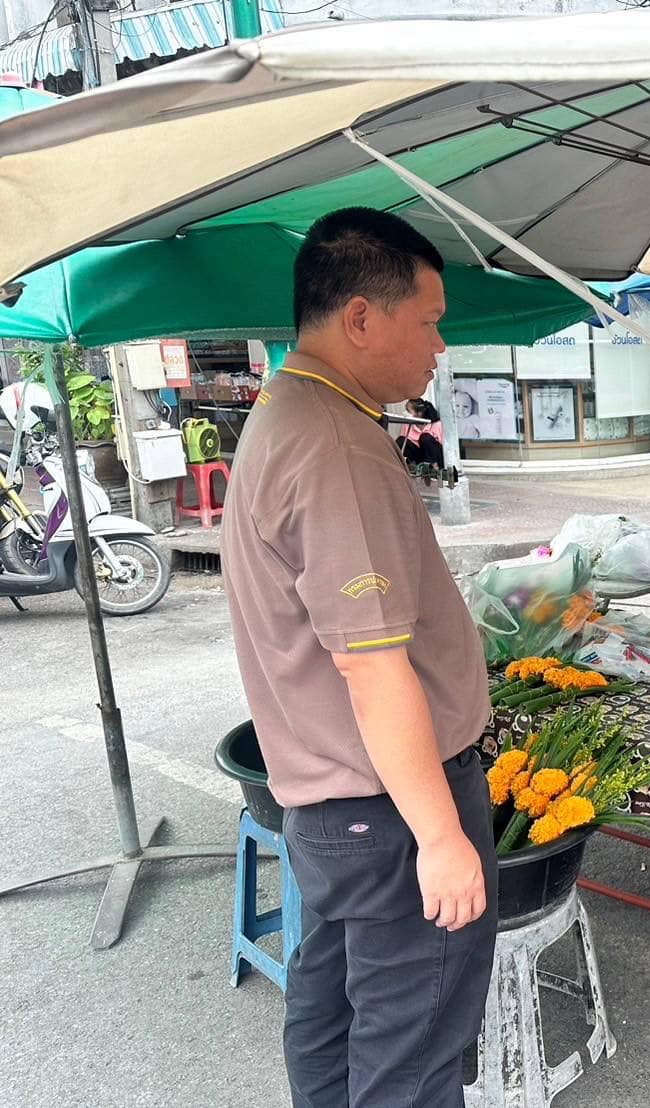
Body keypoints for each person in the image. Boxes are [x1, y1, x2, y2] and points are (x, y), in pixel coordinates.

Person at [221, 207, 495, 1108]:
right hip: (386, 808)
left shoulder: (286, 412)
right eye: (428, 318)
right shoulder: (336, 447)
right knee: (410, 1047)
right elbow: (372, 665)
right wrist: (441, 835)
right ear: (363, 319)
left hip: (335, 808)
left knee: (335, 1012)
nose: (440, 343)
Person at [397, 398, 445, 468]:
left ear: (419, 413)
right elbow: (404, 443)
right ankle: (404, 467)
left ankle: (435, 469)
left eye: (408, 411)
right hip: (420, 455)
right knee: (401, 440)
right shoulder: (407, 424)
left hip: (435, 456)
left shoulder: (436, 424)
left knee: (425, 438)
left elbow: (443, 445)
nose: (405, 413)